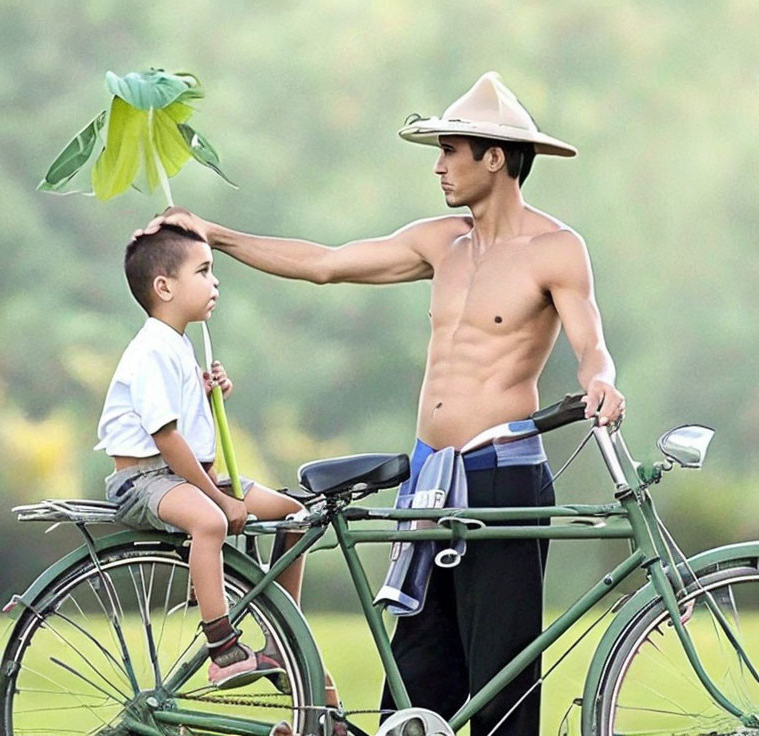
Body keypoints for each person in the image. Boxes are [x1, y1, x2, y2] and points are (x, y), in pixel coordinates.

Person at [139, 72, 625, 735]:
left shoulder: (556, 249)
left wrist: (601, 378)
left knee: (502, 678)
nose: (439, 165)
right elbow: (327, 263)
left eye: (451, 149)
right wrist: (214, 235)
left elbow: (590, 343)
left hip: (502, 476)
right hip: (430, 476)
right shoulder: (440, 242)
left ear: (494, 156)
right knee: (420, 674)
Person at [95, 223, 307, 691]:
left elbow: (188, 427)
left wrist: (210, 395)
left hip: (183, 479)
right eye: (204, 271)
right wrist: (219, 498)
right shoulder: (150, 350)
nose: (215, 282)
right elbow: (167, 438)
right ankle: (223, 648)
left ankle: (281, 638)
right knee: (210, 522)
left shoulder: (178, 346)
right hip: (144, 482)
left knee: (296, 516)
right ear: (164, 286)